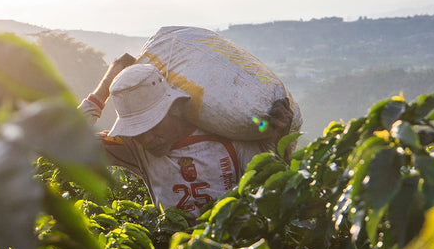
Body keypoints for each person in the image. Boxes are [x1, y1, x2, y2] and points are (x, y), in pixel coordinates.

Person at [78, 53, 293, 217]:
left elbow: (274, 190)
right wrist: (100, 94)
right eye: (137, 131)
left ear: (174, 108)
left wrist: (280, 138)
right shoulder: (135, 147)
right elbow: (59, 142)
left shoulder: (228, 135)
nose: (147, 139)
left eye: (152, 126)